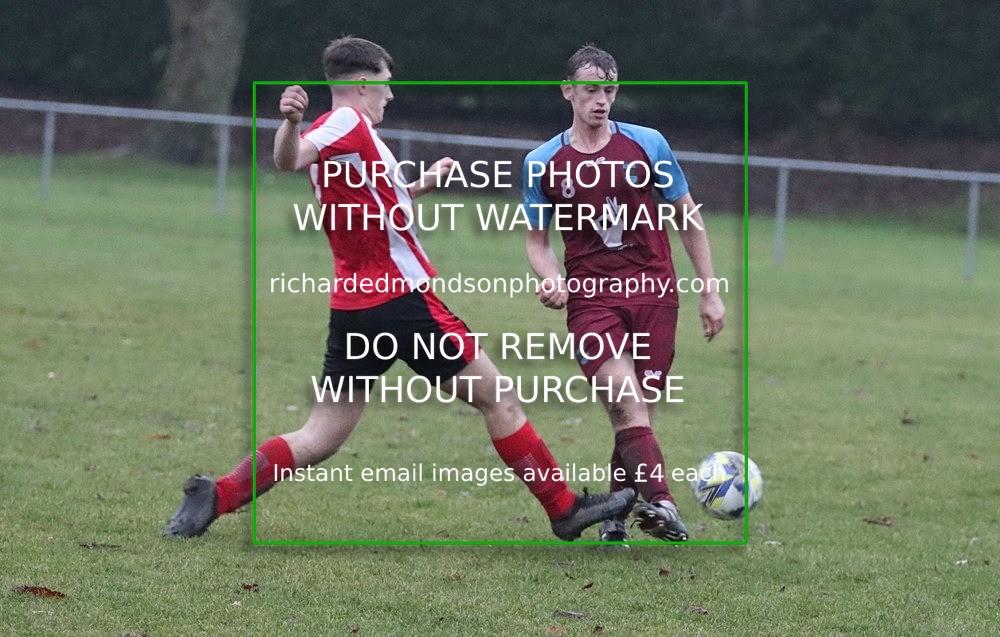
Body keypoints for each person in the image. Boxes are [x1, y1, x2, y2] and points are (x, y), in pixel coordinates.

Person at [164, 37, 633, 541]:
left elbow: (371, 200)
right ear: (364, 84)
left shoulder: (348, 133)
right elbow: (288, 160)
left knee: (320, 436)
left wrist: (420, 187)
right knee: (500, 400)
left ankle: (219, 494)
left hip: (353, 306)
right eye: (386, 85)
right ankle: (564, 509)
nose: (389, 95)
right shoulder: (344, 122)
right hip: (401, 303)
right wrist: (291, 122)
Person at [522, 45, 726, 542]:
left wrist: (710, 292)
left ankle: (616, 514)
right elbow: (537, 242)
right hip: (591, 300)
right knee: (624, 402)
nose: (602, 99)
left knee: (638, 411)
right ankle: (662, 502)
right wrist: (551, 277)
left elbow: (688, 219)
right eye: (591, 88)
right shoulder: (542, 162)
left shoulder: (648, 144)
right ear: (568, 91)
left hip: (655, 293)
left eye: (610, 89)